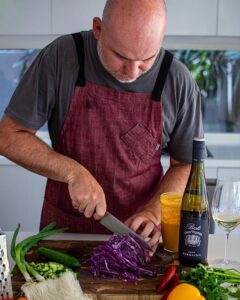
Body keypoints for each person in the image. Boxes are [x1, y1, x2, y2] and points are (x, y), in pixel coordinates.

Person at [0, 0, 203, 253]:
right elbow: (8, 136)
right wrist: (73, 172)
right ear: (98, 29)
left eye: (146, 59)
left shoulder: (177, 80)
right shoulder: (61, 57)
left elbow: (186, 164)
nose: (132, 72)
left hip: (139, 240)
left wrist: (154, 212)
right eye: (120, 56)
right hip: (66, 235)